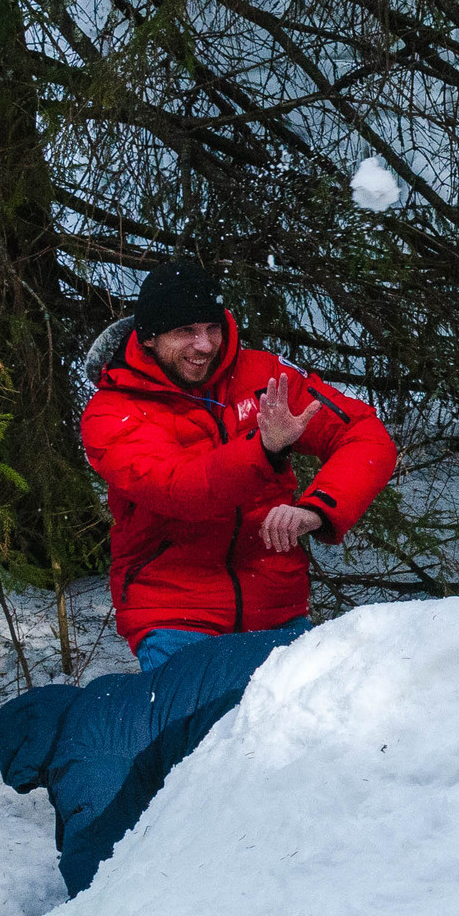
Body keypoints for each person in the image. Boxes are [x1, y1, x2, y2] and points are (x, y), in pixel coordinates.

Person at [83, 260, 396, 670]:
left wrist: (319, 508)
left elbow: (364, 434)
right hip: (175, 616)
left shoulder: (265, 377)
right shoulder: (112, 412)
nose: (205, 345)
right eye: (186, 331)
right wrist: (264, 450)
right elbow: (182, 490)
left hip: (278, 609)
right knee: (204, 715)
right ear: (150, 338)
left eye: (212, 327)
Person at [0, 625, 306, 896]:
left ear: (28, 760)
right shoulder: (103, 702)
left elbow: (95, 846)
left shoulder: (83, 751)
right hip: (289, 650)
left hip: (253, 691)